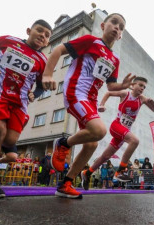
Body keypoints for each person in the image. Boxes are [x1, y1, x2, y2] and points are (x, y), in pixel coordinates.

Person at [41, 13, 136, 198]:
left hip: (90, 99)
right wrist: (47, 74)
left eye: (121, 27)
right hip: (76, 91)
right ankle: (62, 143)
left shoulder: (114, 59)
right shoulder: (90, 41)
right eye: (114, 23)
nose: (117, 27)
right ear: (103, 25)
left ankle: (65, 184)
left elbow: (110, 86)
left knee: (92, 142)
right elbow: (58, 50)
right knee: (100, 131)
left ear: (121, 35)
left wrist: (123, 86)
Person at [0, 19, 52, 198]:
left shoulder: (42, 60)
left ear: (48, 42)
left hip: (20, 101)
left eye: (47, 35)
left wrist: (36, 94)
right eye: (39, 31)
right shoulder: (8, 41)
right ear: (28, 31)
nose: (42, 36)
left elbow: (40, 85)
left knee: (9, 141)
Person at [80, 76, 154, 189]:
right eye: (140, 85)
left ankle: (87, 173)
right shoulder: (125, 94)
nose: (142, 88)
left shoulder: (141, 99)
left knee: (105, 156)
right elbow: (108, 93)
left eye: (144, 87)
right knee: (135, 141)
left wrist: (152, 103)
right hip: (116, 126)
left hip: (124, 132)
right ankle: (120, 171)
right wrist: (101, 105)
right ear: (133, 85)